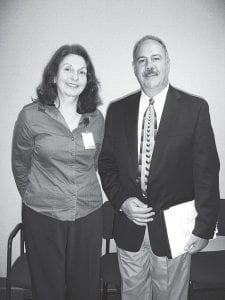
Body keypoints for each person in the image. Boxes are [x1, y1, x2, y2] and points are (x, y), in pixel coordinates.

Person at [98, 35, 220, 300]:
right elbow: (106, 164)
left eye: (155, 58)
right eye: (142, 60)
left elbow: (207, 172)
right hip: (130, 226)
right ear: (134, 67)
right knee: (132, 294)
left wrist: (204, 226)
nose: (149, 66)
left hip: (173, 230)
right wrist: (122, 201)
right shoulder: (118, 110)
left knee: (170, 295)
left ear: (168, 63)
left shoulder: (194, 109)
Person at [12, 44, 104, 300]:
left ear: (88, 80)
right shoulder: (31, 116)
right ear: (54, 75)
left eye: (82, 72)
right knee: (48, 286)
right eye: (68, 69)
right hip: (43, 214)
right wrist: (36, 195)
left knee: (85, 287)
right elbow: (20, 164)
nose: (75, 77)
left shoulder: (96, 118)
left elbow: (94, 161)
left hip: (88, 213)